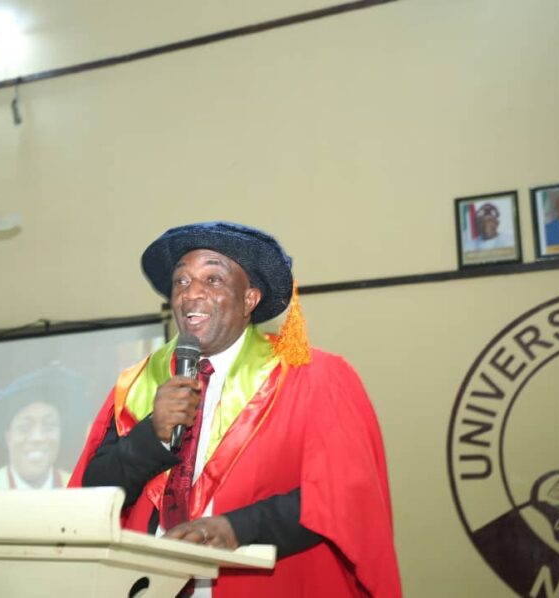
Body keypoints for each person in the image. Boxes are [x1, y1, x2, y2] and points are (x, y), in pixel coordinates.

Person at [70, 222, 401, 597]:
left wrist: (236, 528)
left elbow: (342, 497)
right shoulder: (139, 384)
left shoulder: (312, 377)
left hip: (267, 584)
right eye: (181, 281)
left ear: (249, 300)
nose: (191, 293)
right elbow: (91, 496)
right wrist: (151, 435)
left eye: (213, 280)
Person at [0, 366, 85, 490]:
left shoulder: (77, 489)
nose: (38, 438)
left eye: (49, 426)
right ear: (8, 436)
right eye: (24, 428)